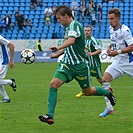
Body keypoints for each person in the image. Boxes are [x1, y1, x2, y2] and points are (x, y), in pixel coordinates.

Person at [38, 5, 116, 125]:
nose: (59, 21)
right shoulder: (69, 27)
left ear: (66, 16)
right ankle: (50, 116)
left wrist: (58, 47)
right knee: (53, 84)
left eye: (59, 18)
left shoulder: (74, 25)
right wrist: (58, 54)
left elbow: (71, 41)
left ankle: (107, 92)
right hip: (67, 64)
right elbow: (70, 46)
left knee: (87, 91)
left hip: (80, 66)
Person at [99, 8, 133, 117]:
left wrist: (117, 52)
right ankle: (109, 108)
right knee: (104, 80)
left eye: (112, 19)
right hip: (118, 62)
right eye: (109, 19)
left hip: (129, 62)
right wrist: (110, 48)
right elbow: (114, 42)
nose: (110, 21)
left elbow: (132, 46)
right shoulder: (110, 29)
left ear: (118, 18)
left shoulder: (125, 30)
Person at [76, 25, 102, 98]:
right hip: (87, 63)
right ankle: (84, 91)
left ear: (91, 31)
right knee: (84, 77)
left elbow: (99, 50)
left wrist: (91, 54)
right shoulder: (84, 40)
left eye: (88, 31)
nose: (86, 32)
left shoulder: (92, 40)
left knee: (100, 79)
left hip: (95, 64)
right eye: (85, 30)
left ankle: (107, 89)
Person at [0, 35, 17, 103]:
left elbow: (11, 45)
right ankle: (6, 98)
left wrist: (11, 60)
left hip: (3, 62)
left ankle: (10, 82)